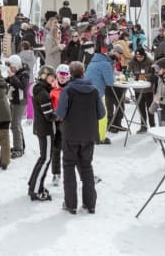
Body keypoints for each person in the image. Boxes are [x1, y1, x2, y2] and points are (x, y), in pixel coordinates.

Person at [55, 61, 104, 215]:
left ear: (70, 74)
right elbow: (101, 113)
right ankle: (90, 204)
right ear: (83, 73)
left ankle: (71, 204)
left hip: (70, 134)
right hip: (89, 134)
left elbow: (60, 114)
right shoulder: (94, 90)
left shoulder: (68, 90)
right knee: (86, 166)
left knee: (69, 167)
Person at [28, 65, 59, 201]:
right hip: (45, 129)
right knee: (46, 159)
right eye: (52, 77)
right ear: (44, 76)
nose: (54, 80)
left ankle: (33, 184)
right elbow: (49, 115)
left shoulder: (41, 89)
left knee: (43, 158)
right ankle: (36, 190)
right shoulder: (43, 93)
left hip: (41, 127)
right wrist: (59, 115)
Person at [85, 45, 116, 143]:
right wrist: (114, 74)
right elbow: (110, 82)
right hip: (97, 93)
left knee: (91, 116)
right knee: (103, 115)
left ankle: (90, 136)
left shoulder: (93, 62)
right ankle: (101, 138)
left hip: (86, 91)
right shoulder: (105, 64)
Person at [6, 54, 30, 158]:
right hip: (14, 100)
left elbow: (22, 86)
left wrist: (12, 76)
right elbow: (8, 80)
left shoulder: (24, 74)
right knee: (16, 124)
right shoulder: (16, 73)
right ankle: (20, 145)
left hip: (20, 102)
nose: (11, 70)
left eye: (12, 67)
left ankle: (18, 149)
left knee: (15, 125)